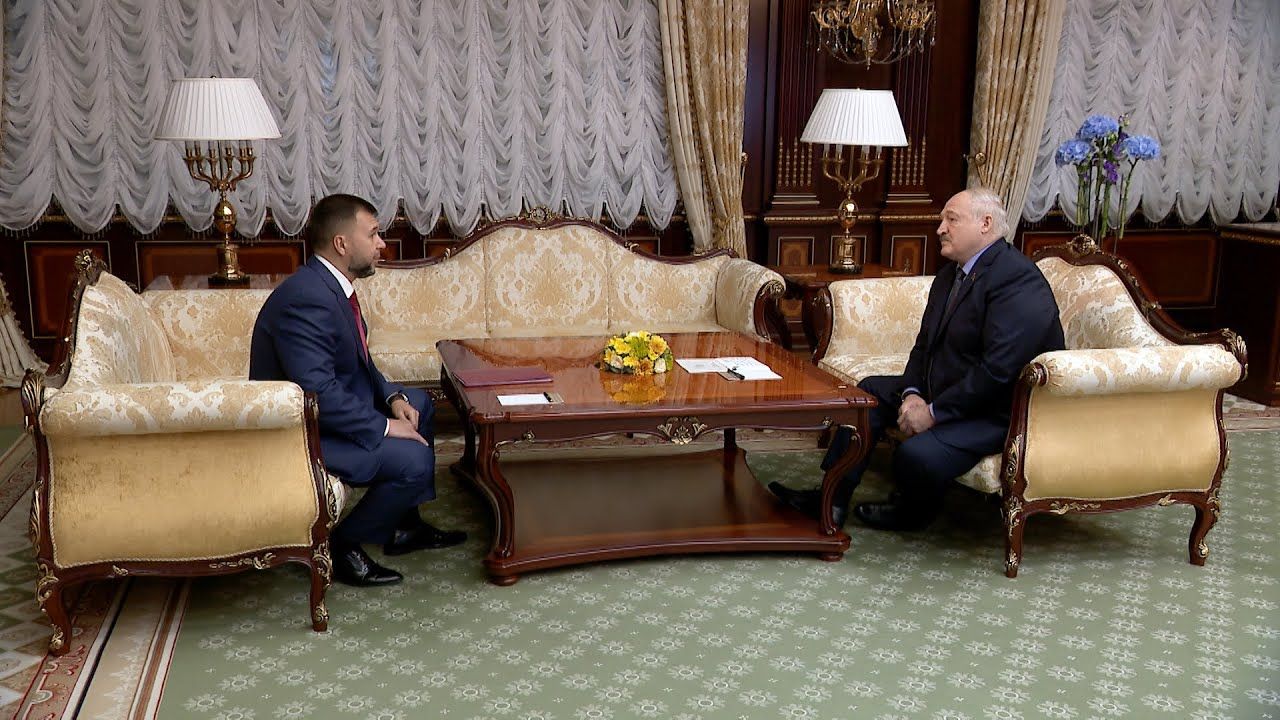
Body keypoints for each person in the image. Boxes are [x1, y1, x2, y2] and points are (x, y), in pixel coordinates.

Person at [770, 188, 1065, 531]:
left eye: (951, 219)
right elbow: (924, 347)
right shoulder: (951, 274)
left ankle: (912, 513)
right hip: (952, 391)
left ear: (985, 224)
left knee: (917, 456)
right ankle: (831, 499)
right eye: (942, 220)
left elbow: (997, 372)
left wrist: (934, 412)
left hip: (998, 412)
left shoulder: (1017, 280)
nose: (940, 228)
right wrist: (912, 393)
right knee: (867, 395)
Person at [250, 193, 465, 586]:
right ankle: (342, 546)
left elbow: (359, 362)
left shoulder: (332, 286)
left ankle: (404, 528)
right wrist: (383, 426)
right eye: (374, 234)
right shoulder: (306, 298)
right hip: (305, 433)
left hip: (332, 413)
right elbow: (316, 391)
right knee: (414, 459)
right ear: (342, 244)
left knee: (418, 403)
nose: (382, 243)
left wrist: (392, 398)